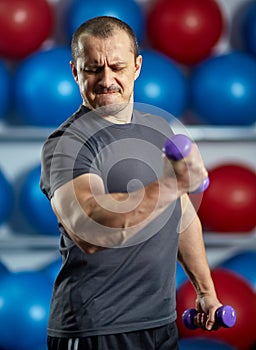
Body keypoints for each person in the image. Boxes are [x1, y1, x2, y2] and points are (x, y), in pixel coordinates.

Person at [40, 16, 222, 350]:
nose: (106, 79)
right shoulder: (67, 143)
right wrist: (171, 184)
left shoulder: (158, 130)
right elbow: (89, 228)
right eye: (93, 68)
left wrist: (205, 291)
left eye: (117, 67)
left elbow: (181, 215)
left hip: (160, 324)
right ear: (75, 71)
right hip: (95, 330)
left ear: (137, 67)